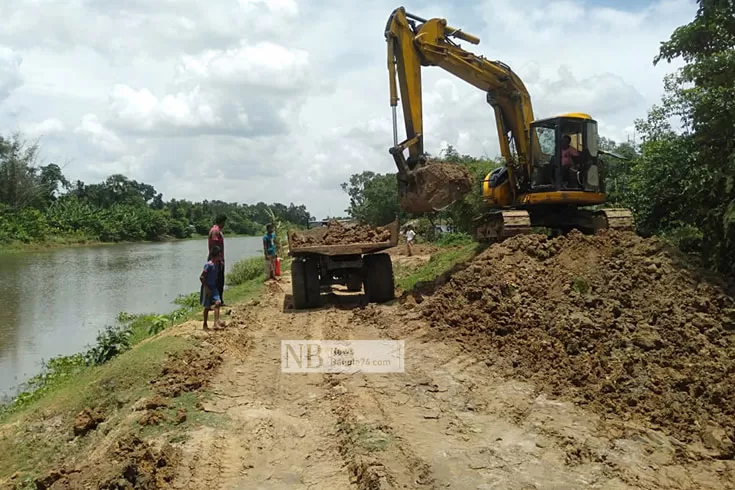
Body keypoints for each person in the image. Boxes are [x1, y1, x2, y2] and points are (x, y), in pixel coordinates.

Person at [200, 245, 224, 330]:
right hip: (207, 287)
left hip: (213, 287)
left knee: (218, 302)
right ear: (216, 255)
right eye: (220, 255)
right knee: (207, 307)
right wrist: (206, 288)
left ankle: (216, 322)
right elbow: (202, 277)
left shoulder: (218, 264)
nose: (221, 257)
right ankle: (205, 324)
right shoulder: (208, 265)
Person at [208, 214, 227, 305]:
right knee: (217, 280)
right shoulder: (215, 231)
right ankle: (215, 300)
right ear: (222, 222)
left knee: (220, 280)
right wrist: (218, 259)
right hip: (216, 260)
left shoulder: (217, 230)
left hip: (218, 259)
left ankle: (219, 300)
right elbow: (214, 246)